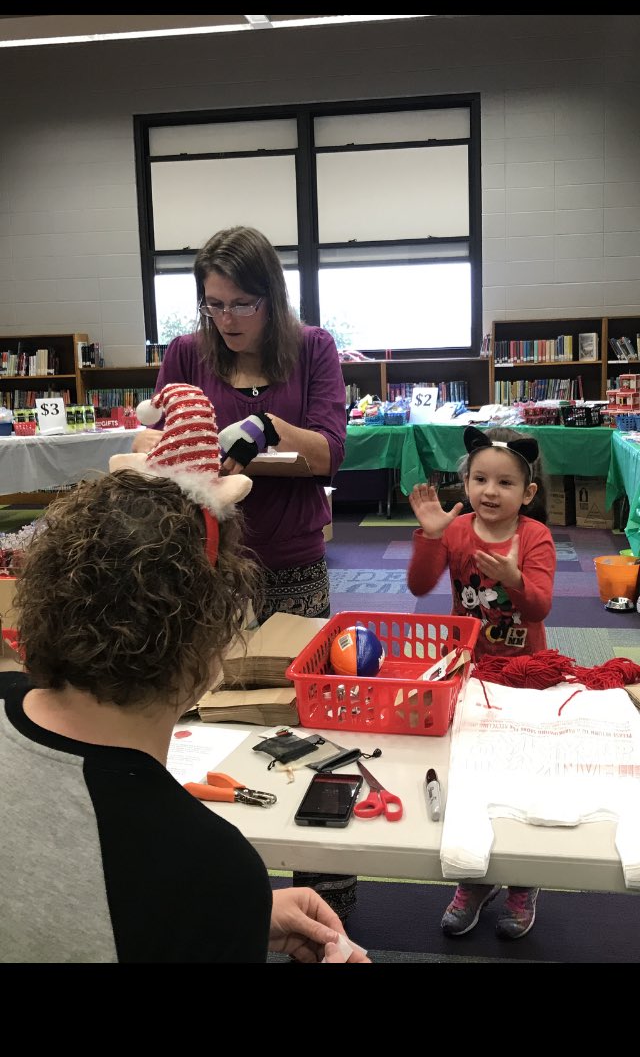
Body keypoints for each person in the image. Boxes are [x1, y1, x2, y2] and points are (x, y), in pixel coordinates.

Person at [0, 394, 368, 964]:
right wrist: (226, 907)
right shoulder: (206, 863)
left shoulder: (202, 878)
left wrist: (236, 915)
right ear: (213, 642)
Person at [130, 225, 357, 920]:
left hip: (288, 561)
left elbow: (330, 453)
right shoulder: (184, 354)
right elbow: (152, 440)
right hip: (202, 564)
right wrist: (172, 450)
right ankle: (213, 879)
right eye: (214, 305)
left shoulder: (312, 349)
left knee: (306, 723)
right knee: (202, 721)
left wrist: (263, 428)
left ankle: (325, 886)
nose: (226, 321)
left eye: (241, 305)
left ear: (271, 297)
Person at [407, 424, 556, 941]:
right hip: (466, 669)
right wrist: (429, 536)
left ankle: (523, 878)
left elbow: (540, 606)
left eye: (506, 483)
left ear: (528, 493)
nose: (490, 491)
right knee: (469, 773)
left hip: (522, 675)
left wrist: (516, 580)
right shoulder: (455, 530)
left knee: (521, 776)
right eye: (480, 479)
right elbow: (420, 585)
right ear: (465, 482)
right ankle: (476, 878)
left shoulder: (534, 536)